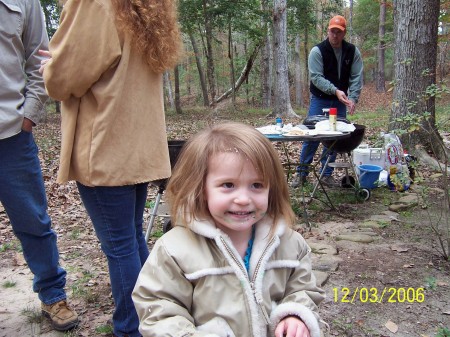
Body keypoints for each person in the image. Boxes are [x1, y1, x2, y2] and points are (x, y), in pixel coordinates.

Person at [40, 0, 182, 336]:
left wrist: (52, 67)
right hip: (135, 145)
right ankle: (156, 318)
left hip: (106, 146)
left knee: (121, 246)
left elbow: (62, 81)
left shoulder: (95, 3)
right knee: (130, 238)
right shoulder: (145, 5)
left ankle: (131, 329)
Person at [132, 122, 325, 337]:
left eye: (257, 185)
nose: (243, 199)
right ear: (200, 189)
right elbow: (158, 307)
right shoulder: (175, 250)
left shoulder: (290, 244)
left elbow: (303, 289)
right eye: (228, 185)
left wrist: (295, 315)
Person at [0, 0, 79, 331]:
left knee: (33, 220)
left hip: (11, 135)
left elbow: (39, 58)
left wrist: (29, 114)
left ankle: (52, 295)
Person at [291, 15, 363, 188]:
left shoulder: (352, 51)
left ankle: (326, 174)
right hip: (321, 99)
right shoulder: (318, 51)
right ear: (328, 31)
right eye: (333, 31)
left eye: (339, 32)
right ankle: (302, 174)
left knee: (335, 138)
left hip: (341, 102)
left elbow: (356, 77)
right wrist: (335, 90)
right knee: (312, 136)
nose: (335, 35)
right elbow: (316, 77)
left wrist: (352, 98)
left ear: (344, 33)